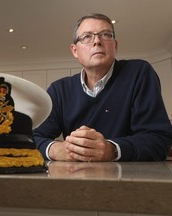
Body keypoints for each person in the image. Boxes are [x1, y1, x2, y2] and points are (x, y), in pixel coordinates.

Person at [33, 13, 172, 162]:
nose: (97, 41)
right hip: (75, 178)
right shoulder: (59, 90)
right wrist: (55, 149)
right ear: (75, 51)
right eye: (87, 37)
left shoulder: (139, 73)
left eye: (105, 34)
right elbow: (32, 138)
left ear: (115, 46)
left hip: (130, 180)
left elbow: (159, 139)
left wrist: (112, 150)